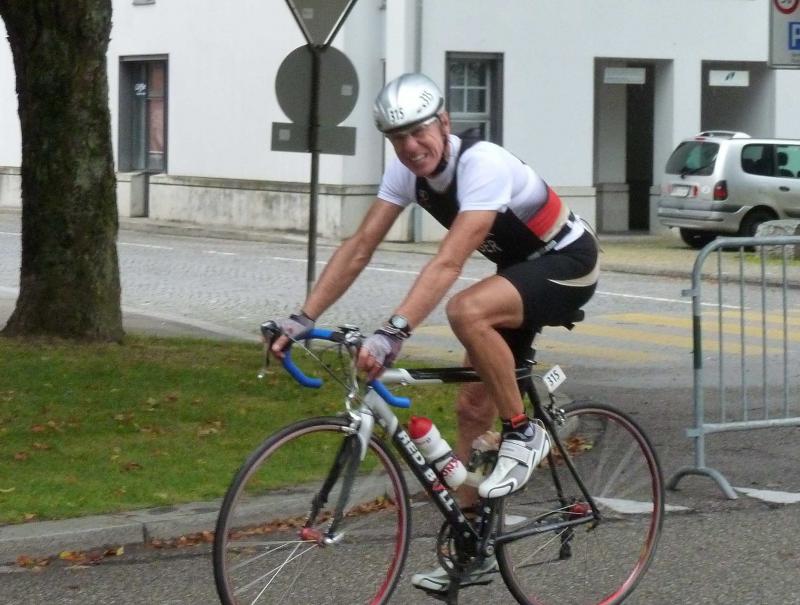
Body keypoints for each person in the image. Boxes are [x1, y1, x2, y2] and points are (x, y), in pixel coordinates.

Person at [271, 72, 599, 593]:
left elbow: (449, 261)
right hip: (518, 272)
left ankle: (523, 430)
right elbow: (360, 247)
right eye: (397, 137)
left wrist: (394, 331)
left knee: (466, 311)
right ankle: (475, 546)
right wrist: (303, 317)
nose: (410, 146)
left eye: (418, 131)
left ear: (443, 122)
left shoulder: (482, 164)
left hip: (568, 262)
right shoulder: (407, 173)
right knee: (470, 408)